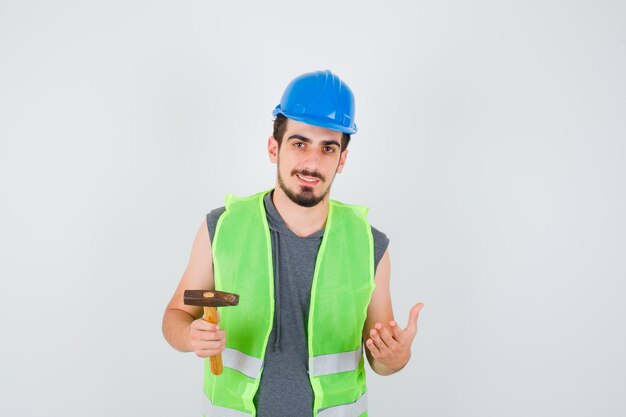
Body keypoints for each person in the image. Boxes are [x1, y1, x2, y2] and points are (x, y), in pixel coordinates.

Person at [162, 69, 423, 417]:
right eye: (299, 143)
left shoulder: (368, 244)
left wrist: (396, 358)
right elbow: (175, 316)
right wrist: (189, 336)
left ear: (342, 159)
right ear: (274, 148)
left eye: (327, 148)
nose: (312, 163)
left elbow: (380, 357)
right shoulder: (222, 227)